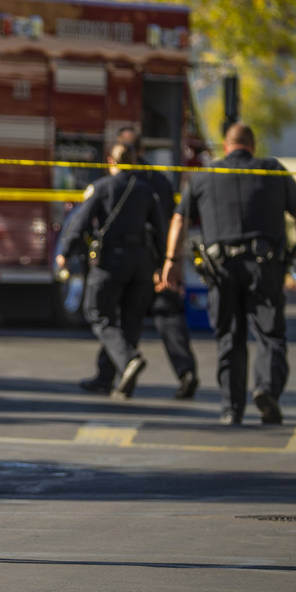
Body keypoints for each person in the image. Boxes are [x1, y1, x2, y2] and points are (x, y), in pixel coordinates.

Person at [162, 123, 296, 425]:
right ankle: (266, 390)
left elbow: (179, 220)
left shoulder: (206, 175)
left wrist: (171, 261)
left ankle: (231, 409)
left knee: (230, 337)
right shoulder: (273, 170)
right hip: (264, 266)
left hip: (222, 269)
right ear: (252, 146)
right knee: (270, 335)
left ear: (226, 146)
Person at [83, 127, 201, 399]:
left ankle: (112, 374)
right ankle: (185, 373)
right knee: (164, 317)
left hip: (129, 261)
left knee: (115, 317)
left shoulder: (119, 180)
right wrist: (172, 262)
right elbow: (174, 223)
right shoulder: (159, 181)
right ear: (142, 151)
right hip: (157, 260)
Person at [56, 142, 165, 399]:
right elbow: (160, 230)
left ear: (110, 161)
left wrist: (65, 252)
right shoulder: (146, 191)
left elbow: (80, 222)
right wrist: (163, 264)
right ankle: (112, 379)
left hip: (110, 261)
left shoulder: (103, 188)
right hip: (140, 263)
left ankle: (128, 360)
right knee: (130, 321)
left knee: (98, 314)